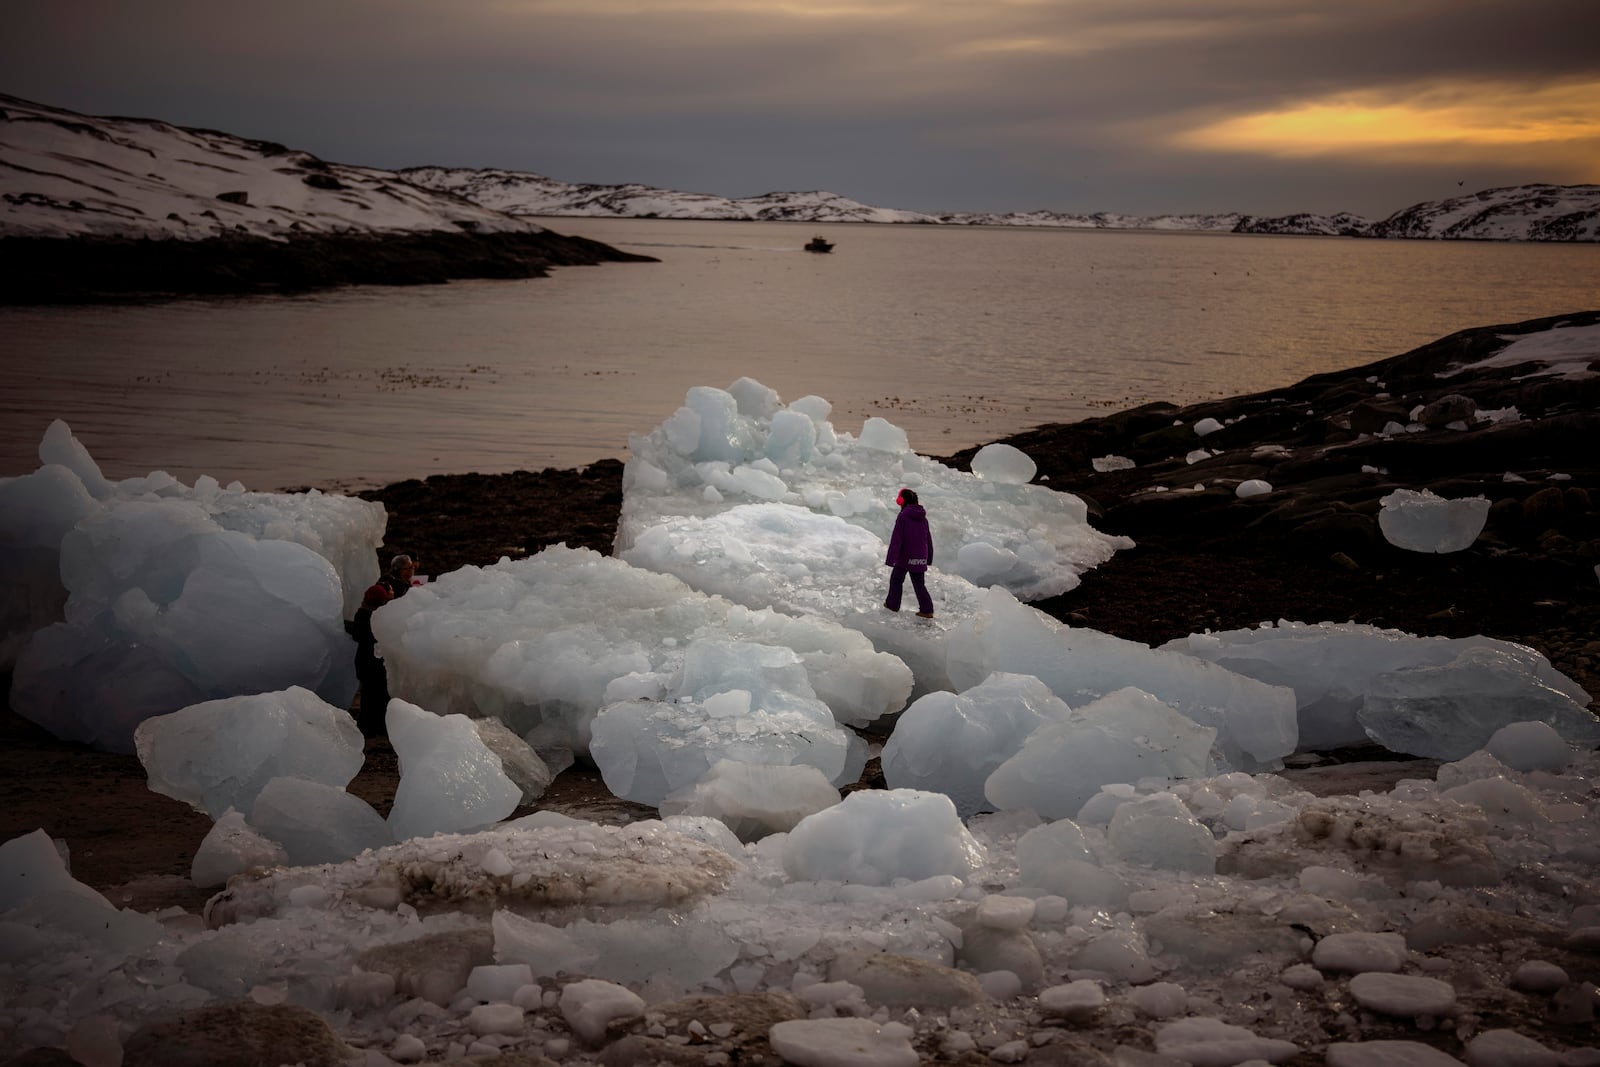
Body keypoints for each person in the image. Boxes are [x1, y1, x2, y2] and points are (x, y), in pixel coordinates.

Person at [345, 582, 393, 737]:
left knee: (369, 695)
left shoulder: (362, 613)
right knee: (378, 695)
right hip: (374, 662)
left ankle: (368, 726)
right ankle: (375, 726)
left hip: (364, 661)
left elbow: (357, 634)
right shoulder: (376, 617)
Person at [884, 487, 935, 618]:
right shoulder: (923, 518)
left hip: (905, 557)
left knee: (896, 579)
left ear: (901, 501)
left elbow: (897, 538)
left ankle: (892, 605)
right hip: (920, 557)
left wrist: (891, 559)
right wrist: (928, 558)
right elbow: (927, 539)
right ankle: (927, 610)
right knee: (919, 584)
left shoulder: (903, 516)